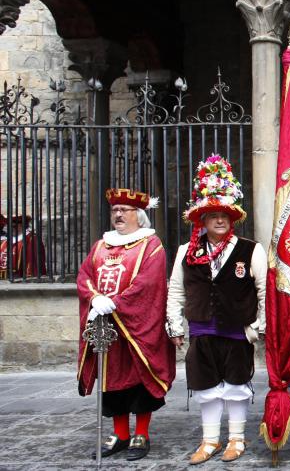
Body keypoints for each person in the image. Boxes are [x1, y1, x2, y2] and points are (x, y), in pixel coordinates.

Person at [165, 155, 266, 465]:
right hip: (202, 330)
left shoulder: (251, 249)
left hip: (237, 331)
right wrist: (175, 325)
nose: (219, 220)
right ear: (202, 220)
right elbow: (176, 291)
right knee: (205, 387)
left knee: (236, 386)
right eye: (212, 216)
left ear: (232, 218)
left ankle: (236, 437)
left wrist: (257, 327)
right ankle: (209, 440)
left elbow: (264, 292)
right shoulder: (186, 251)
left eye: (224, 215)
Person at [77, 188, 175, 461]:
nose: (118, 215)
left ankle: (141, 433)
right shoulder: (100, 246)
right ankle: (119, 433)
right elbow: (85, 274)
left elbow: (148, 283)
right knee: (111, 380)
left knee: (140, 378)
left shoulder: (151, 245)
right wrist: (95, 298)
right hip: (106, 328)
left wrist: (116, 303)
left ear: (138, 215)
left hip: (137, 328)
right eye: (114, 210)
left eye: (124, 210)